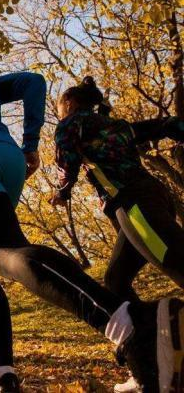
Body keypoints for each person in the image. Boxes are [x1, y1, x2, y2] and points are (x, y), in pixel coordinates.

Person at [0, 59, 184, 393]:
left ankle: (132, 325)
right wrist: (29, 142)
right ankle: (2, 372)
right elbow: (33, 82)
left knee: (4, 250)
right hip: (7, 160)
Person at [49, 76, 184, 392]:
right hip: (148, 199)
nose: (60, 115)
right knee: (116, 281)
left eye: (59, 110)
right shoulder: (115, 125)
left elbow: (67, 160)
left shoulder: (71, 124)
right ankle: (149, 356)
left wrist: (61, 192)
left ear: (70, 104)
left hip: (134, 204)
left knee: (177, 261)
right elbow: (164, 125)